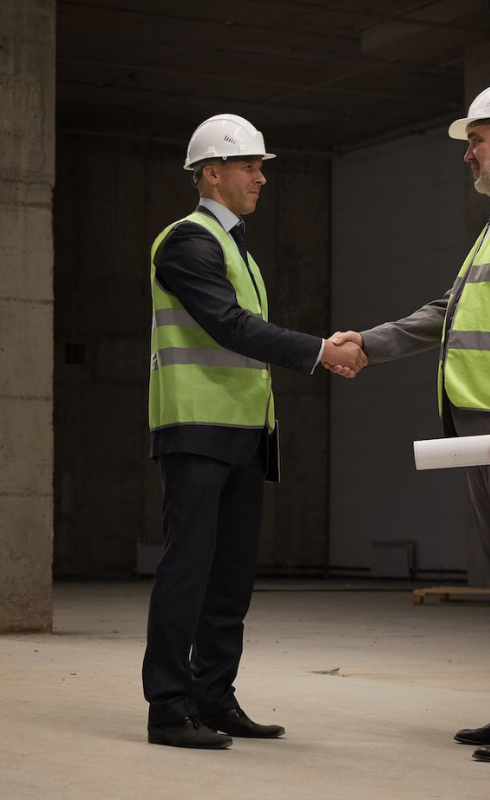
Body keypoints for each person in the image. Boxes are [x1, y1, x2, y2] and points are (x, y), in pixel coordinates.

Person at [330, 82, 490, 764]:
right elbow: (446, 311)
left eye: (476, 140)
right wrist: (368, 342)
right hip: (486, 420)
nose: (468, 154)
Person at [144, 113, 366, 750]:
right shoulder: (187, 242)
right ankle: (167, 708)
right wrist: (322, 350)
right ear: (212, 173)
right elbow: (230, 327)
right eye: (250, 167)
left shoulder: (236, 246)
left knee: (231, 575)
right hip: (196, 430)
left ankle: (213, 695)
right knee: (186, 572)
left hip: (241, 432)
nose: (262, 178)